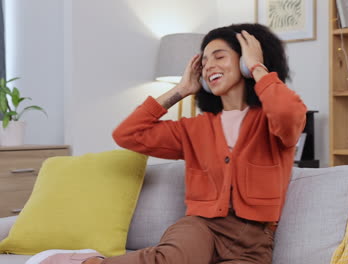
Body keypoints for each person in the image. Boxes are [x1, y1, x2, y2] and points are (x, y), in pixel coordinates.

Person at [37, 23, 306, 264]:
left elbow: (288, 114)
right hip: (201, 228)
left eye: (220, 56)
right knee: (172, 259)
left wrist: (258, 68)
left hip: (254, 241)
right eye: (205, 60)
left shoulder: (273, 122)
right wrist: (180, 90)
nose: (210, 65)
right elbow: (127, 134)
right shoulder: (193, 128)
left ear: (245, 62)